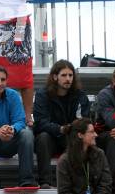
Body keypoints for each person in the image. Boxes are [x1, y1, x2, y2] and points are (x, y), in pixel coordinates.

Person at [33, 60, 90, 189]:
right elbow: (41, 122)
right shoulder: (43, 95)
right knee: (43, 137)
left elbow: (84, 121)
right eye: (64, 75)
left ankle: (79, 185)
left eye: (70, 75)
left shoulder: (80, 96)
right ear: (55, 77)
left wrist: (70, 129)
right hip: (51, 138)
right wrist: (60, 129)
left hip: (70, 137)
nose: (68, 79)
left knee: (80, 138)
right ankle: (45, 182)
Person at [56, 118, 112, 194]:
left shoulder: (99, 154)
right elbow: (64, 191)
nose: (96, 135)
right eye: (92, 132)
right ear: (80, 135)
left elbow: (106, 184)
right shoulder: (64, 161)